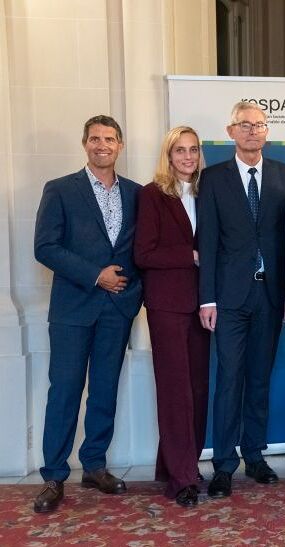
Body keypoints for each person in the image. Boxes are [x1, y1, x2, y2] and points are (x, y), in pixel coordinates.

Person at [32, 115, 142, 513]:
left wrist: (134, 293)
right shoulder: (61, 190)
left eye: (110, 139)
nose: (102, 145)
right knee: (64, 392)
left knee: (104, 391)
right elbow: (44, 246)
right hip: (73, 309)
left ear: (120, 145)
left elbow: (140, 252)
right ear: (85, 144)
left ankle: (94, 465)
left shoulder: (136, 193)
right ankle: (53, 476)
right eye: (95, 138)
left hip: (118, 310)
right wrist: (95, 275)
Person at [197, 101, 285, 498]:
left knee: (259, 379)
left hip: (270, 295)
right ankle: (224, 464)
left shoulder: (284, 174)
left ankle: (254, 456)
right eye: (245, 125)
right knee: (229, 381)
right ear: (231, 131)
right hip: (229, 297)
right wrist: (207, 299)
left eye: (259, 125)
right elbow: (206, 240)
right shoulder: (213, 178)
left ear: (267, 131)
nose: (252, 131)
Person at [134, 126, 210, 507]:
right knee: (175, 390)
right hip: (166, 305)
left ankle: (180, 465)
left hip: (204, 305)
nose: (187, 157)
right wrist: (191, 256)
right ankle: (182, 479)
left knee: (197, 390)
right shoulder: (152, 195)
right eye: (179, 150)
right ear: (168, 155)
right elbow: (143, 254)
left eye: (193, 150)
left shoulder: (205, 191)